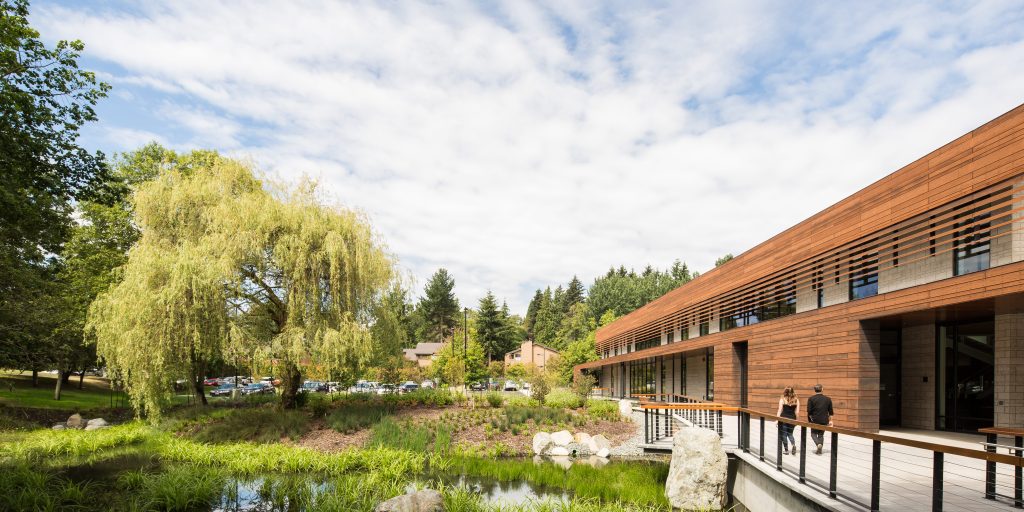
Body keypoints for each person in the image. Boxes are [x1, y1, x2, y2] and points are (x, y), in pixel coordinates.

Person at [806, 384, 834, 454]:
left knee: (813, 434)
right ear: (822, 389)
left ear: (815, 390)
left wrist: (810, 419)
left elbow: (809, 411)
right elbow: (830, 412)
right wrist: (830, 420)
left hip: (814, 420)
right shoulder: (828, 399)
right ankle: (820, 448)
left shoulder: (811, 399)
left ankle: (818, 444)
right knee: (821, 434)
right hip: (824, 420)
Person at [776, 387, 799, 455]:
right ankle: (793, 445)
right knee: (790, 433)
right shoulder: (796, 400)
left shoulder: (782, 400)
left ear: (785, 392)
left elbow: (780, 410)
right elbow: (797, 412)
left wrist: (777, 420)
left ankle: (786, 450)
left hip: (783, 419)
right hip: (792, 419)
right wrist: (797, 420)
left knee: (784, 434)